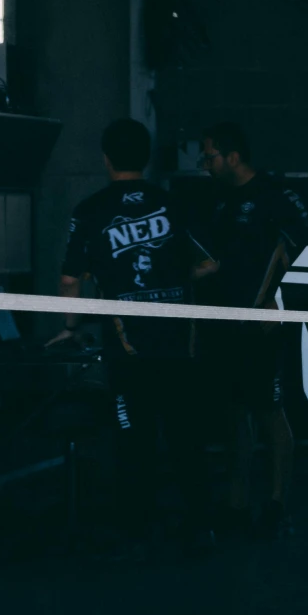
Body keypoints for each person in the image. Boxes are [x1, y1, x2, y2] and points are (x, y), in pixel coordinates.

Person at [52, 118, 215, 551]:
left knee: (133, 439)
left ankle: (138, 530)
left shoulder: (90, 210)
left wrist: (70, 328)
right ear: (145, 157)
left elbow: (71, 280)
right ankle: (202, 526)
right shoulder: (174, 203)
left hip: (129, 350)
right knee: (185, 438)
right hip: (181, 344)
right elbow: (208, 263)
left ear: (105, 158)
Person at [197, 120, 308, 537]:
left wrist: (273, 305)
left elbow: (297, 256)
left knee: (269, 410)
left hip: (263, 325)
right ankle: (237, 502)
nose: (205, 165)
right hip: (224, 324)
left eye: (210, 156)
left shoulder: (276, 197)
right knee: (232, 413)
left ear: (233, 156)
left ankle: (278, 504)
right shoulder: (218, 201)